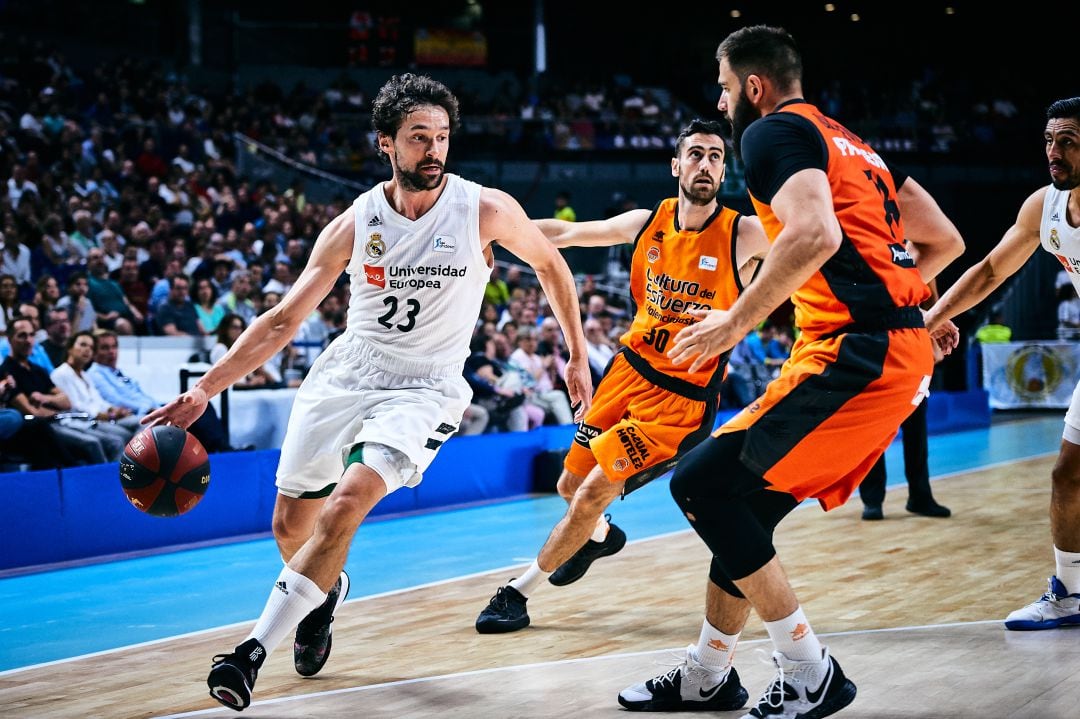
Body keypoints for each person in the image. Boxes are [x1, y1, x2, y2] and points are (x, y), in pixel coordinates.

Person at [144, 73, 592, 712]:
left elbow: (551, 264)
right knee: (290, 527)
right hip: (346, 374)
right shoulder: (357, 220)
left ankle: (248, 653)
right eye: (418, 138)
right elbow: (283, 320)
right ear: (387, 143)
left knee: (344, 507)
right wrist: (206, 390)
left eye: (441, 137)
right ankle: (324, 596)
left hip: (424, 387)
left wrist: (576, 353)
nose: (434, 150)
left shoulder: (484, 209)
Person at [618, 27, 963, 718]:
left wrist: (735, 320)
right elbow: (943, 239)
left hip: (856, 354)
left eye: (722, 86)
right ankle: (710, 673)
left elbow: (817, 234)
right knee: (741, 506)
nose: (718, 102)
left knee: (699, 483)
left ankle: (809, 669)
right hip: (879, 348)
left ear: (754, 87)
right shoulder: (856, 146)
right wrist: (905, 308)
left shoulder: (771, 133)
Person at [475, 118, 770, 633]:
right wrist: (488, 236)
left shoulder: (743, 233)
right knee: (569, 485)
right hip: (624, 376)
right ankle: (600, 537)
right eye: (696, 154)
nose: (706, 164)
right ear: (676, 165)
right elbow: (564, 233)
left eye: (716, 157)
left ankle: (516, 594)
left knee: (589, 494)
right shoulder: (645, 222)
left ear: (724, 170)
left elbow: (815, 248)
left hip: (678, 403)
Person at [924, 96, 1080, 632]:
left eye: (1068, 142)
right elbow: (990, 270)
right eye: (1049, 141)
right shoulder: (1045, 207)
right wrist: (931, 318)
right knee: (1067, 475)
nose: (1054, 153)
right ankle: (1070, 594)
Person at [86, 330, 232, 453]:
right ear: (94, 352)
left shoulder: (119, 372)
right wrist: (150, 408)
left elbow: (141, 394)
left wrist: (157, 405)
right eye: (105, 348)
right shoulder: (95, 373)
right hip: (136, 413)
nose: (111, 352)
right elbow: (115, 399)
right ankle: (221, 451)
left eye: (114, 347)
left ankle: (220, 449)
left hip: (151, 406)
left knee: (199, 405)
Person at [49, 331, 141, 447]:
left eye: (91, 347)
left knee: (138, 425)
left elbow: (98, 401)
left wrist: (112, 409)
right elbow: (75, 406)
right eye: (83, 345)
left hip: (97, 420)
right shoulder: (61, 374)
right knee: (121, 438)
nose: (87, 350)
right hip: (78, 422)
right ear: (70, 348)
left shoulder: (85, 375)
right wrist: (109, 416)